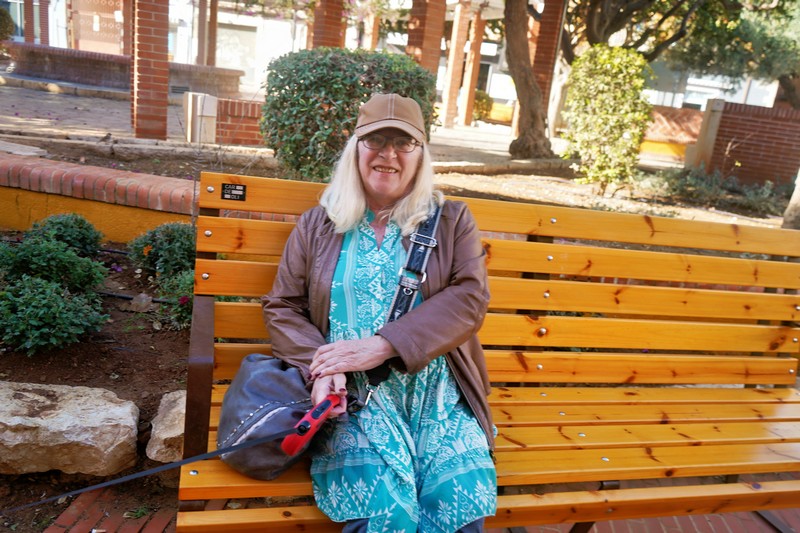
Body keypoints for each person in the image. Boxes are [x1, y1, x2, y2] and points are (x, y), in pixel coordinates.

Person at [262, 93, 496, 533]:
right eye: (376, 141)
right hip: (353, 398)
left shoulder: (451, 220)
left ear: (420, 155)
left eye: (403, 143)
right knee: (383, 516)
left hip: (437, 395)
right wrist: (322, 366)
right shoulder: (319, 224)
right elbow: (283, 306)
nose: (389, 154)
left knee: (457, 506)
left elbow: (470, 298)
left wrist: (384, 345)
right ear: (356, 149)